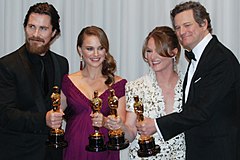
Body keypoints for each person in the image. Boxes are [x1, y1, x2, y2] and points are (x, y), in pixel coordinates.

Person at [137, 1, 240, 160]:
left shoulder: (220, 60)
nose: (181, 32)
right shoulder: (198, 58)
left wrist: (157, 125)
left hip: (217, 152)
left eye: (187, 25)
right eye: (177, 27)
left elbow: (201, 111)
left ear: (204, 24)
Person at [0, 2, 69, 160]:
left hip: (53, 153)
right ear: (25, 27)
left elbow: (62, 105)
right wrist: (43, 119)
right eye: (31, 27)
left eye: (43, 29)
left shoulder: (62, 63)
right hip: (18, 153)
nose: (35, 34)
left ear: (54, 33)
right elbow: (4, 114)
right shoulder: (6, 65)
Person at [107, 26, 186, 159]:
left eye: (159, 50)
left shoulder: (188, 86)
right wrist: (120, 126)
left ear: (174, 52)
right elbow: (131, 134)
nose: (152, 57)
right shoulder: (136, 87)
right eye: (149, 51)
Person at [61, 26, 127, 160]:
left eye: (100, 48)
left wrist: (105, 121)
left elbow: (121, 126)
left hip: (105, 152)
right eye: (90, 49)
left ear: (106, 50)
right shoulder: (68, 81)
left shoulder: (118, 84)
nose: (96, 54)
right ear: (80, 50)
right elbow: (56, 115)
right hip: (74, 149)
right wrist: (51, 116)